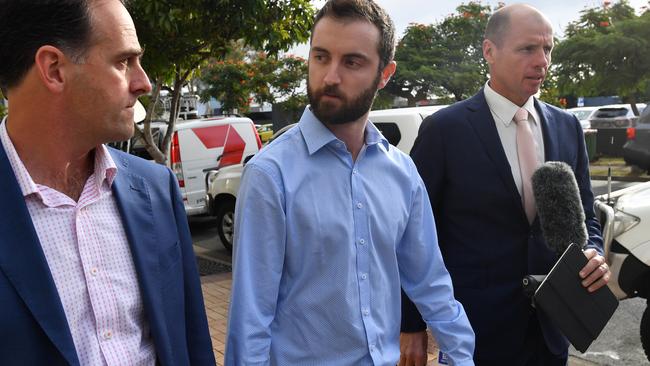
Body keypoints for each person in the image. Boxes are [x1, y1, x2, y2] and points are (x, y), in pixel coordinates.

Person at [225, 0, 475, 364]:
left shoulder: (401, 173)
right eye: (321, 57)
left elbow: (431, 282)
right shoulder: (270, 174)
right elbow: (250, 319)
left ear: (385, 73)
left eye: (352, 62)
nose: (330, 76)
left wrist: (460, 355)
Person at [0, 1, 215, 365]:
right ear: (54, 69)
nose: (143, 83)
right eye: (123, 62)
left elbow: (191, 343)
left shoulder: (154, 188)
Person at [400, 4, 611, 365]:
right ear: (489, 52)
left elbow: (587, 217)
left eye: (548, 49)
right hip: (474, 333)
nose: (542, 60)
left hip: (552, 329)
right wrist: (410, 324)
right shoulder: (445, 131)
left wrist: (593, 252)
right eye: (528, 48)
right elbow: (411, 235)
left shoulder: (566, 127)